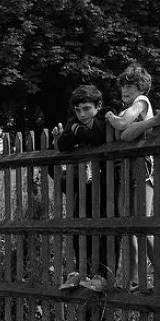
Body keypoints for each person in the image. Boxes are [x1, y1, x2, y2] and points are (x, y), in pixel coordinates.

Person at [50, 85, 112, 278]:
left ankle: (102, 275)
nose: (82, 114)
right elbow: (62, 144)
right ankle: (81, 271)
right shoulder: (74, 121)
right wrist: (74, 130)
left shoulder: (104, 118)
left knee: (103, 232)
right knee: (78, 231)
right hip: (83, 185)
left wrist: (76, 130)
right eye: (78, 110)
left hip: (104, 184)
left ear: (98, 106)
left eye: (86, 109)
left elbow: (97, 136)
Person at [105, 63, 155, 290]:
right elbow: (122, 133)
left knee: (142, 226)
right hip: (126, 170)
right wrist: (123, 126)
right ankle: (135, 280)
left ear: (141, 88)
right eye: (123, 87)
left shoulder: (141, 102)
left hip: (142, 167)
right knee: (130, 226)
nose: (125, 91)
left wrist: (111, 117)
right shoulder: (127, 107)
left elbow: (123, 127)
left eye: (131, 86)